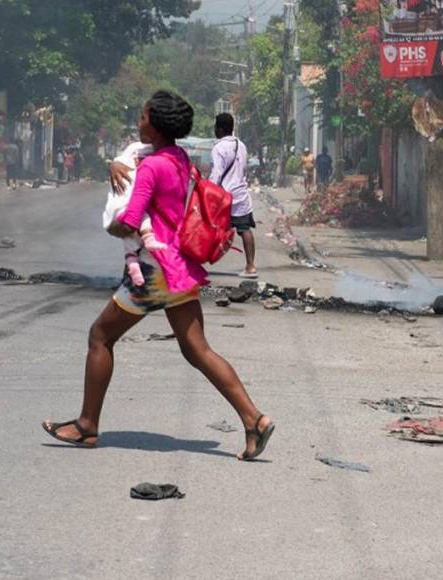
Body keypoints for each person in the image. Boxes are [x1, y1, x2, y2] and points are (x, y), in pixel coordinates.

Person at [42, 90, 275, 460]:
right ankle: (254, 419)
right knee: (197, 350)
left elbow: (131, 220)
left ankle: (87, 425)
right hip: (180, 267)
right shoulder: (179, 158)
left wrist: (112, 224)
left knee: (99, 337)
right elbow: (132, 157)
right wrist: (111, 165)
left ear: (157, 123)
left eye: (143, 117)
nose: (138, 123)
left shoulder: (151, 167)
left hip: (153, 272)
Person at [101, 141, 167, 286]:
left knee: (132, 243)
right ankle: (131, 277)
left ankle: (132, 276)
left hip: (154, 223)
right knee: (133, 238)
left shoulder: (165, 157)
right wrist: (115, 165)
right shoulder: (136, 153)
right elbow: (120, 163)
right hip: (139, 216)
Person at [210, 113, 259, 278]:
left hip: (224, 196)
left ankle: (197, 261)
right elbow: (244, 169)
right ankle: (251, 266)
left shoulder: (218, 148)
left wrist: (208, 189)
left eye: (216, 126)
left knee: (208, 227)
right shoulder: (242, 145)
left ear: (220, 129)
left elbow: (217, 172)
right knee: (245, 229)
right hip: (241, 195)